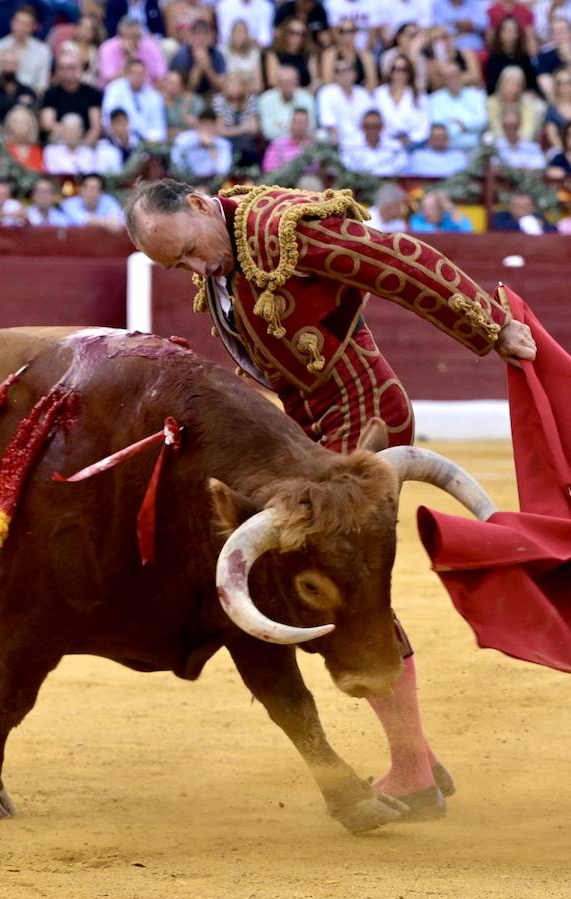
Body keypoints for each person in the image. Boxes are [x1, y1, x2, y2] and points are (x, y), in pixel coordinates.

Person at [122, 178, 536, 822]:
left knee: (343, 583)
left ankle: (412, 772)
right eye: (177, 266)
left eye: (190, 252)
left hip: (364, 420)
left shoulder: (282, 230)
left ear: (201, 206)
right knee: (322, 579)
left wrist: (489, 327)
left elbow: (400, 260)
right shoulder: (224, 255)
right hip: (310, 432)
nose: (196, 269)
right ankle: (417, 755)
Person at [40, 53, 102, 143]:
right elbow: (48, 123)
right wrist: (70, 135)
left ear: (79, 68)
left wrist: (83, 146)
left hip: (86, 141)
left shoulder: (92, 93)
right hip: (60, 141)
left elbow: (96, 127)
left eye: (71, 67)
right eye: (62, 68)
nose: (66, 72)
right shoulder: (50, 94)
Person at [101, 57, 167, 142]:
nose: (138, 77)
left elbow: (159, 126)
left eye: (141, 74)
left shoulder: (155, 97)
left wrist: (151, 140)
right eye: (135, 73)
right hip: (118, 141)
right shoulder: (114, 89)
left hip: (147, 144)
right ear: (127, 74)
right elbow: (108, 118)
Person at [0, 4, 53, 94]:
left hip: (31, 96)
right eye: (18, 22)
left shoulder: (43, 51)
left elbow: (42, 84)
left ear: (33, 27)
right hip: (2, 96)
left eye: (26, 24)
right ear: (11, 23)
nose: (21, 27)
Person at [316, 56, 374, 146]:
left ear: (355, 73)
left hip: (362, 142)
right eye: (339, 71)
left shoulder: (363, 94)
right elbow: (327, 120)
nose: (344, 74)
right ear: (335, 75)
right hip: (336, 143)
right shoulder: (326, 93)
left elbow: (370, 120)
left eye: (347, 70)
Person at [171, 111, 235, 180]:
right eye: (204, 124)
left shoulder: (223, 144)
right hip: (186, 180)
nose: (207, 128)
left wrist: (211, 147)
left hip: (211, 182)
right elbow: (176, 161)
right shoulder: (184, 138)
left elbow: (223, 170)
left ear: (215, 126)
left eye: (211, 125)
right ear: (198, 124)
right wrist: (198, 141)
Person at [258, 65, 314, 141]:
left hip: (303, 144)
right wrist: (296, 128)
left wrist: (282, 126)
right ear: (277, 83)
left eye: (290, 82)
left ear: (297, 82)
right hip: (275, 145)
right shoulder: (265, 99)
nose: (286, 85)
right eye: (283, 82)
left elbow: (311, 127)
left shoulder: (307, 98)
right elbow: (268, 132)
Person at [342, 109, 405, 176]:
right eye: (367, 126)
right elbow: (349, 169)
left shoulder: (395, 147)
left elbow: (400, 169)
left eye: (376, 126)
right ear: (362, 127)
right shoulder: (350, 146)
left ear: (382, 127)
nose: (372, 130)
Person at [262, 105, 315, 170]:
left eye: (302, 123)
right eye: (297, 122)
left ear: (308, 124)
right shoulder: (277, 145)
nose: (300, 126)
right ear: (291, 123)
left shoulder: (315, 145)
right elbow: (268, 168)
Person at [489, 189, 553, 233]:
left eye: (524, 206)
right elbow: (500, 229)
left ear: (533, 207)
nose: (520, 210)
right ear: (509, 206)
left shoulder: (538, 218)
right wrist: (523, 224)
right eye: (516, 206)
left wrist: (541, 225)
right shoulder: (500, 217)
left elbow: (554, 231)